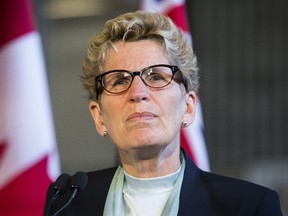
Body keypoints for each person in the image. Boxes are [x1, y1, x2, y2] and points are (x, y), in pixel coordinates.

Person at [44, 11, 282, 215]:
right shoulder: (68, 201)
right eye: (118, 81)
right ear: (99, 116)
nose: (138, 93)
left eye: (156, 76)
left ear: (188, 107)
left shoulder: (248, 207)